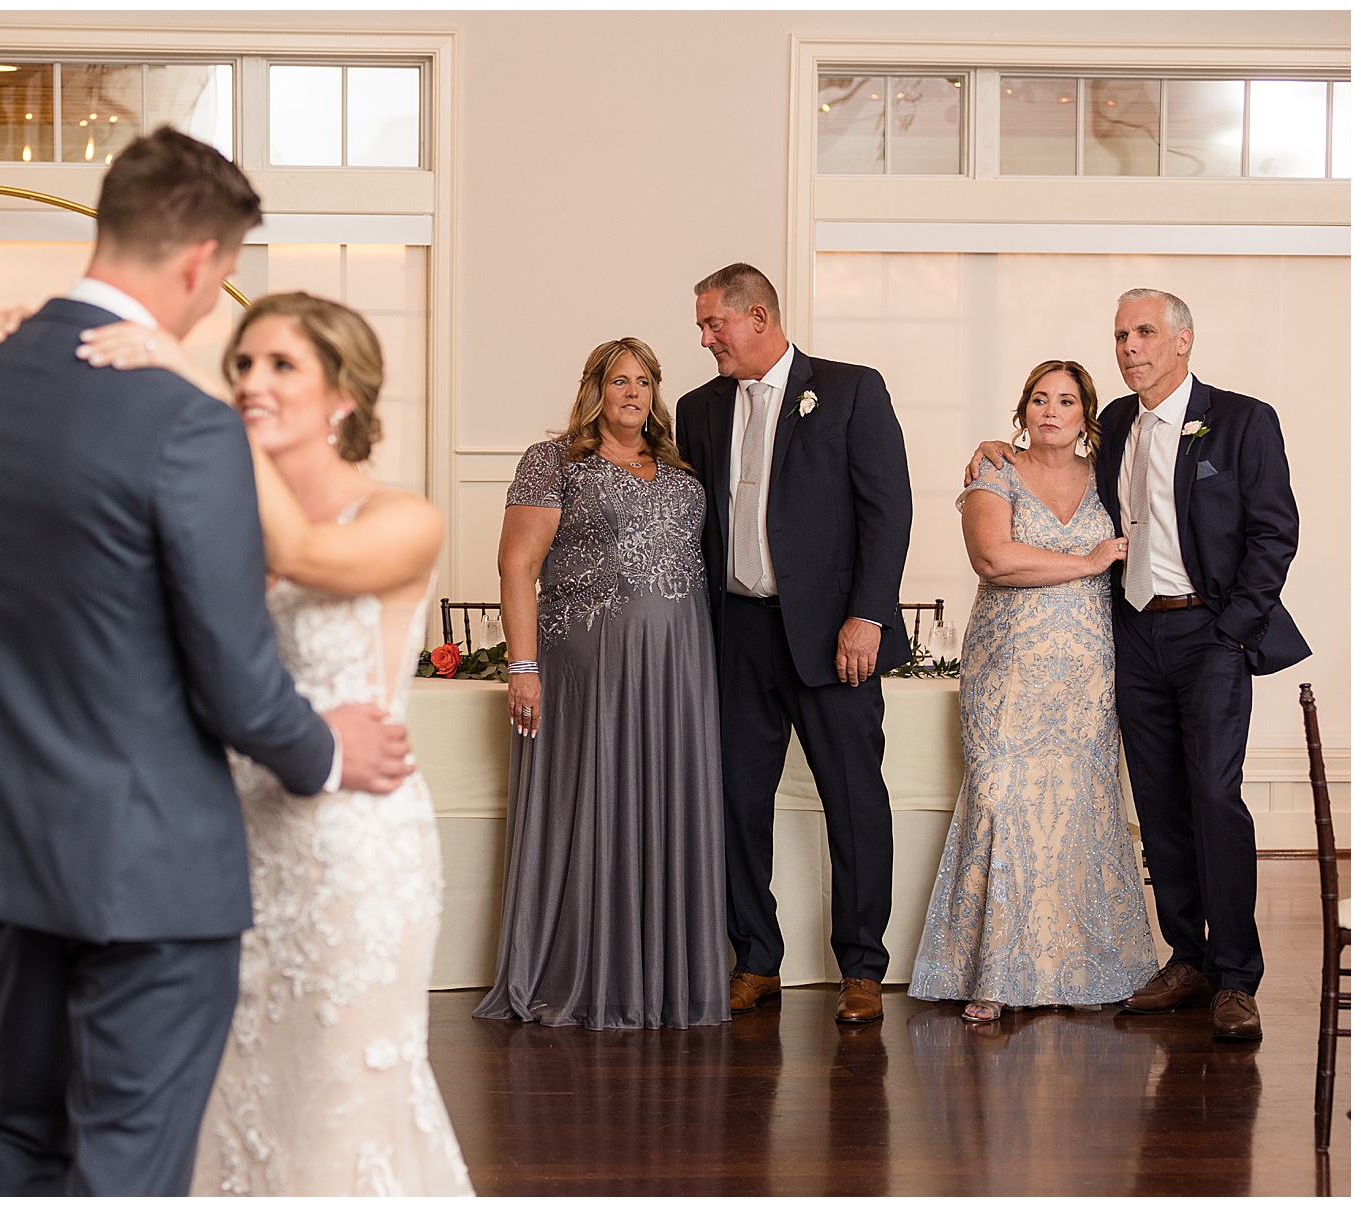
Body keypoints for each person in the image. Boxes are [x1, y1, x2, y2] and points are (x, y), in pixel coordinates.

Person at [0, 128, 416, 1196]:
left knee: (18, 1130)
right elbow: (232, 675)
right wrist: (323, 751)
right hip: (148, 859)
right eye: (223, 279)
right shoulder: (184, 423)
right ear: (199, 262)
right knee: (128, 1159)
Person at [66, 291, 474, 1193]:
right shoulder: (217, 520)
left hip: (356, 847)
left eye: (281, 365)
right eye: (242, 363)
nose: (252, 380)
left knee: (342, 1094)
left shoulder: (404, 519)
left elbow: (306, 554)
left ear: (344, 398)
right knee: (241, 1093)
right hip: (237, 837)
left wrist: (190, 395)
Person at [966, 289, 1309, 1042]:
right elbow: (1046, 453)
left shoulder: (1244, 419)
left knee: (1215, 797)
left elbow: (1274, 532)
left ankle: (1236, 975)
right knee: (1157, 804)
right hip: (1132, 638)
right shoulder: (1115, 423)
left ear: (1183, 340)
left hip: (1209, 634)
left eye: (1145, 332)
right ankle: (1186, 957)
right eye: (1120, 335)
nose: (1129, 348)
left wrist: (1234, 631)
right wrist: (997, 445)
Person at [674, 263, 913, 1025]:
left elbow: (889, 511)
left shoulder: (849, 389)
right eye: (703, 325)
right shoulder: (697, 408)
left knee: (854, 801)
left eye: (715, 323)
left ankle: (863, 967)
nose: (705, 337)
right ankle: (755, 958)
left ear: (760, 317)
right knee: (737, 802)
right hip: (736, 632)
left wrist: (867, 615)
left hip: (834, 634)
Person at [470, 337, 727, 1031]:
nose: (633, 393)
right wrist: (521, 666)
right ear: (596, 388)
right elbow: (517, 567)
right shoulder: (552, 462)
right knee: (590, 801)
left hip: (678, 662)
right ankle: (581, 972)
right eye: (619, 381)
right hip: (589, 665)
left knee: (664, 801)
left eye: (644, 381)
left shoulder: (679, 468)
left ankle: (663, 981)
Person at [910, 360, 1157, 1022]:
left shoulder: (1109, 477)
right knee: (999, 799)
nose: (1052, 409)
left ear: (1086, 416)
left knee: (1081, 805)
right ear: (1022, 410)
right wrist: (1085, 562)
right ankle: (992, 973)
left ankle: (1087, 966)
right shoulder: (994, 470)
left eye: (1067, 400)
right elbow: (992, 557)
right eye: (1040, 399)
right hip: (1007, 671)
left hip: (1086, 673)